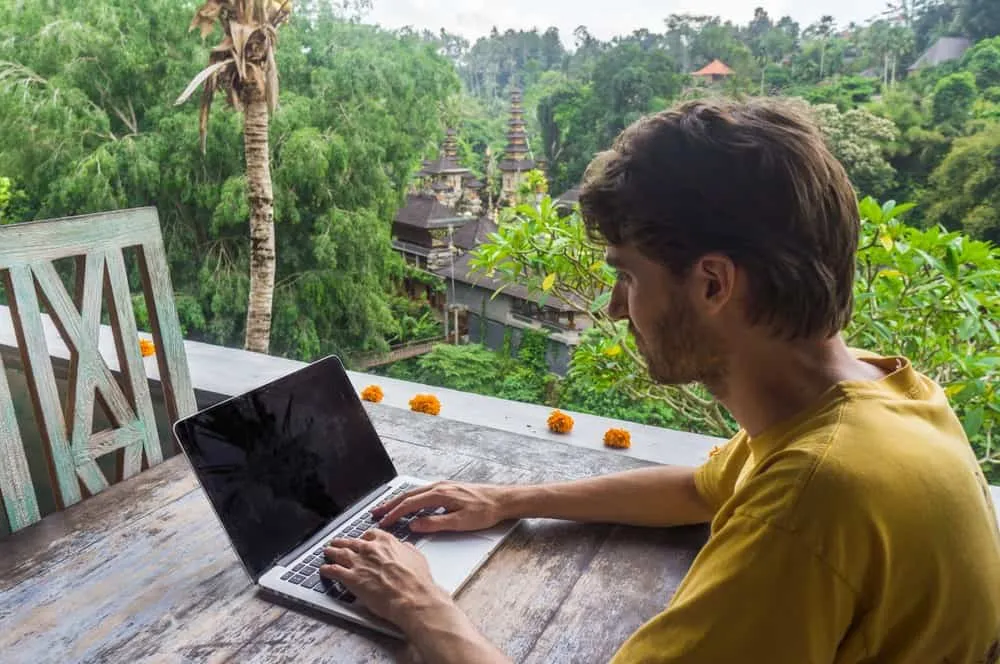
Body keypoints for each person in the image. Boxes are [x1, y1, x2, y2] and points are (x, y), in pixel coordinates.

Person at [320, 99, 1000, 663]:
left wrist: (420, 606)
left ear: (713, 284)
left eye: (628, 276)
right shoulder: (877, 396)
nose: (617, 308)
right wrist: (507, 499)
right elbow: (700, 489)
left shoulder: (813, 497)